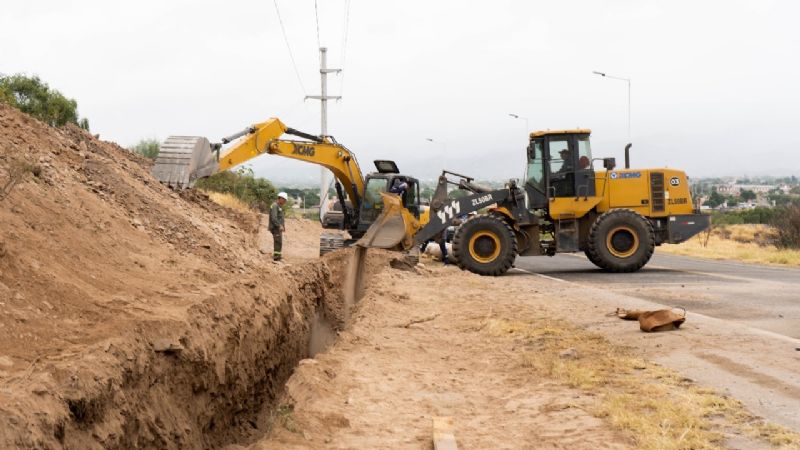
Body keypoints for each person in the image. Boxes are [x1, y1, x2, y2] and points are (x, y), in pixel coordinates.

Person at [269, 192, 288, 261]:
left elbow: (280, 218)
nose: (285, 202)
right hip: (275, 227)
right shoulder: (275, 206)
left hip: (278, 228)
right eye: (284, 200)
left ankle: (278, 256)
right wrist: (279, 225)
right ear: (281, 198)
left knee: (279, 242)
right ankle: (276, 258)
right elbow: (274, 218)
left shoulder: (279, 206)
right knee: (277, 242)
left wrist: (282, 226)